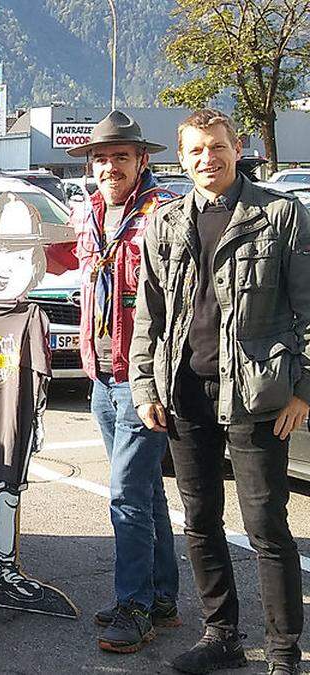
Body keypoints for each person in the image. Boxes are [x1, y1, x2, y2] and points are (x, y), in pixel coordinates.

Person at [131, 108, 308, 675]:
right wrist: (144, 386)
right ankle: (221, 635)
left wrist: (303, 390)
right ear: (179, 160)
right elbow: (148, 318)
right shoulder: (163, 223)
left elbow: (309, 310)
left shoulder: (280, 214)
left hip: (258, 396)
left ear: (238, 148)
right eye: (196, 151)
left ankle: (284, 652)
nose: (208, 158)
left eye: (218, 147)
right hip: (183, 392)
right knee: (200, 519)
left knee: (265, 524)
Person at [46, 111, 181, 654]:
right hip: (99, 371)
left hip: (143, 375)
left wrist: (159, 375)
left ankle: (135, 607)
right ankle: (161, 596)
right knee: (145, 492)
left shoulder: (163, 213)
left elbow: (179, 299)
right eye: (101, 158)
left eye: (120, 157)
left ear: (141, 160)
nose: (109, 166)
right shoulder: (91, 213)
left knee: (126, 494)